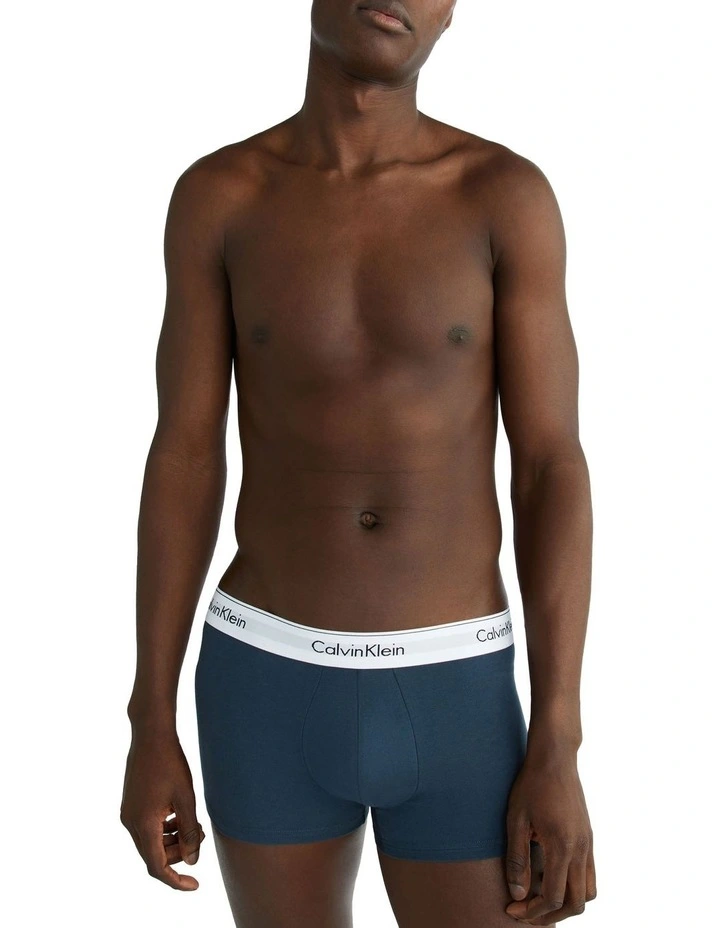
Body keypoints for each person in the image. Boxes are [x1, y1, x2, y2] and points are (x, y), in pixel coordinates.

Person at [120, 1, 597, 925]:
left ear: (451, 15)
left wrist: (559, 739)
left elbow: (549, 467)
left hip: (456, 687)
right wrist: (150, 719)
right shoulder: (221, 196)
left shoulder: (502, 196)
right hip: (264, 678)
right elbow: (183, 456)